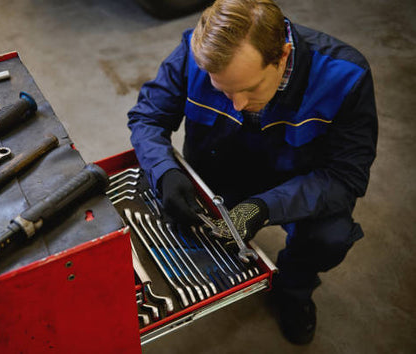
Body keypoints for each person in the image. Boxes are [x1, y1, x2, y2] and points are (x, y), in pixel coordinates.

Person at [127, 0, 377, 345]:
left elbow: (346, 176)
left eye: (250, 88)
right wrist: (166, 171)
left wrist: (264, 207)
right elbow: (147, 117)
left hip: (298, 183)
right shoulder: (193, 52)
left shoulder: (345, 76)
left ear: (283, 55)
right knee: (175, 213)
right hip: (218, 175)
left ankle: (294, 290)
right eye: (223, 90)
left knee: (330, 237)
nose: (239, 104)